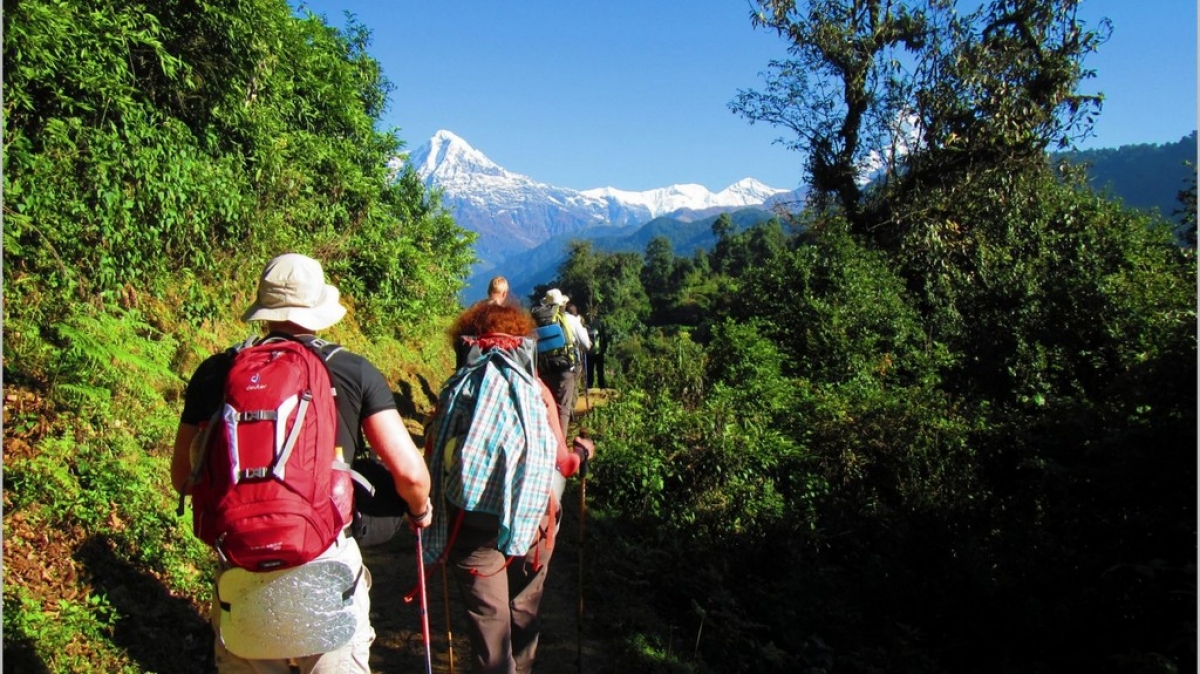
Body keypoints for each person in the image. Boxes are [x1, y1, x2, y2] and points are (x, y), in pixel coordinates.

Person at [171, 252, 433, 674]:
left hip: (240, 573)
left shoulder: (215, 373)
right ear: (319, 309)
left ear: (264, 310)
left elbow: (183, 479)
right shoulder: (351, 371)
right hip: (325, 567)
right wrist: (419, 510)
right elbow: (410, 475)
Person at [431, 301, 591, 674]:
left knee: (490, 621)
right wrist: (583, 452)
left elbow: (436, 457)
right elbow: (563, 463)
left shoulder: (455, 389)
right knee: (524, 606)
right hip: (534, 518)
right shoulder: (535, 389)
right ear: (522, 342)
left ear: (468, 340)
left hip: (470, 526)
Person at [535, 289, 582, 432]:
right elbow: (585, 343)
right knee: (563, 408)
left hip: (544, 369)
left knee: (546, 406)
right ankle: (560, 446)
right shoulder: (570, 320)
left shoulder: (537, 321)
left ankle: (546, 438)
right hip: (564, 368)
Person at [586, 318, 608, 390]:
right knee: (590, 371)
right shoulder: (586, 325)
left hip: (598, 352)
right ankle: (590, 386)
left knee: (599, 371)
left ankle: (601, 386)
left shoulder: (599, 324)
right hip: (590, 353)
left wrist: (603, 349)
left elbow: (603, 337)